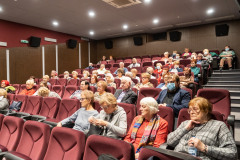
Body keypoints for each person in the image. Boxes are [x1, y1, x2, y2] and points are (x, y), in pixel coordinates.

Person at [167, 97, 237, 160]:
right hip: (177, 157)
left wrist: (205, 148)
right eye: (190, 110)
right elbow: (170, 142)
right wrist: (185, 129)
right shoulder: (185, 123)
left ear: (206, 111)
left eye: (195, 109)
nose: (191, 112)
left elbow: (232, 153)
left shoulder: (219, 125)